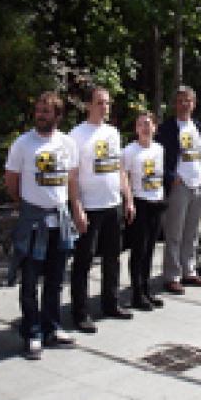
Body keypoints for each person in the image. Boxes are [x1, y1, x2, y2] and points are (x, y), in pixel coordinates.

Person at [4, 91, 80, 359]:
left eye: (46, 111)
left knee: (56, 279)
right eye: (38, 110)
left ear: (58, 116)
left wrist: (76, 210)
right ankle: (32, 332)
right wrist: (28, 206)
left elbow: (71, 180)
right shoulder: (23, 144)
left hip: (59, 219)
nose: (40, 115)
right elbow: (11, 181)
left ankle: (52, 327)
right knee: (30, 281)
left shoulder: (68, 144)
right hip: (33, 222)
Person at [67, 87, 134, 331]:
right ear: (88, 105)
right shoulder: (76, 135)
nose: (104, 107)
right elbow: (71, 176)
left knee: (112, 258)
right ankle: (80, 312)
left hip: (112, 204)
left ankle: (111, 302)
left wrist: (128, 198)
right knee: (83, 261)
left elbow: (119, 168)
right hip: (90, 207)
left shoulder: (113, 133)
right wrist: (77, 207)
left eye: (107, 103)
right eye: (99, 103)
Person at [157, 86, 201, 294]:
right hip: (180, 185)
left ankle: (189, 271)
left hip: (198, 184)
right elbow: (159, 155)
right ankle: (172, 275)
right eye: (180, 100)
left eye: (188, 100)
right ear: (175, 104)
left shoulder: (197, 126)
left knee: (192, 232)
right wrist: (171, 177)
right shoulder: (168, 128)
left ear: (194, 104)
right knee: (174, 233)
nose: (184, 104)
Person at [123, 108, 168, 311]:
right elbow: (124, 178)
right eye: (141, 124)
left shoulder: (159, 149)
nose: (145, 127)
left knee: (150, 249)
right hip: (139, 202)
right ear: (136, 128)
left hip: (156, 202)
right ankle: (136, 293)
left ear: (155, 127)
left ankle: (147, 289)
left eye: (148, 124)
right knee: (138, 250)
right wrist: (129, 202)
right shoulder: (130, 151)